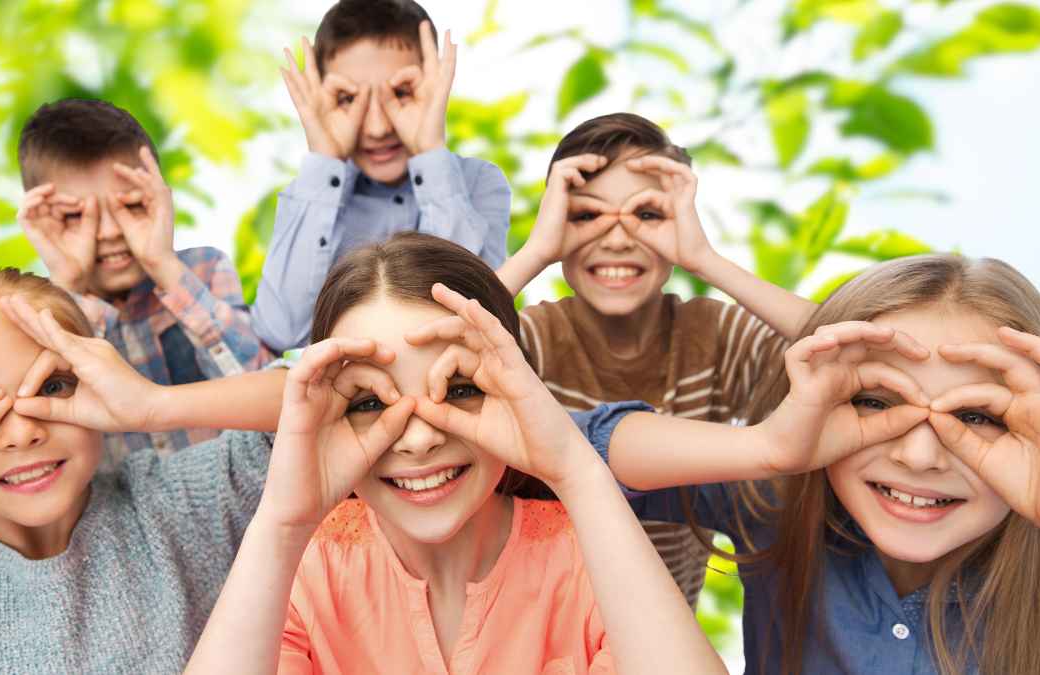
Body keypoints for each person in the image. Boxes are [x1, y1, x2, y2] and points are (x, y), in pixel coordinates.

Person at [187, 233, 726, 674]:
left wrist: (576, 469)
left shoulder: (588, 554)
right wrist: (282, 522)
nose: (419, 438)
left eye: (461, 388)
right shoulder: (307, 564)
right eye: (371, 401)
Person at [581, 253, 1040, 674]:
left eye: (974, 417)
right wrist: (765, 448)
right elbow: (551, 447)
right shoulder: (779, 498)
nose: (918, 457)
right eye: (875, 402)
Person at [0, 267, 283, 672]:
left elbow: (337, 393)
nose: (21, 434)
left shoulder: (180, 505)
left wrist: (156, 405)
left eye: (52, 386)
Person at [495, 112, 814, 605]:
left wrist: (705, 259)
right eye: (586, 216)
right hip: (541, 624)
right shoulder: (533, 339)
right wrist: (536, 251)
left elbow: (857, 348)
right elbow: (426, 350)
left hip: (664, 631)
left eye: (646, 215)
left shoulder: (713, 336)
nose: (617, 238)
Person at [17, 98, 272, 466]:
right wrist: (68, 286)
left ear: (161, 199)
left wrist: (163, 265)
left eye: (132, 206)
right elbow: (39, 431)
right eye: (75, 216)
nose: (108, 232)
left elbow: (266, 387)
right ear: (40, 220)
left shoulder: (203, 270)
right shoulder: (36, 317)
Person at [254, 0, 511, 353]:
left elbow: (462, 320)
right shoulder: (311, 195)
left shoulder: (479, 181)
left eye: (401, 92)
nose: (376, 126)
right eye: (347, 98)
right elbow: (281, 332)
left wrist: (429, 150)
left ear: (436, 85)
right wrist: (324, 157)